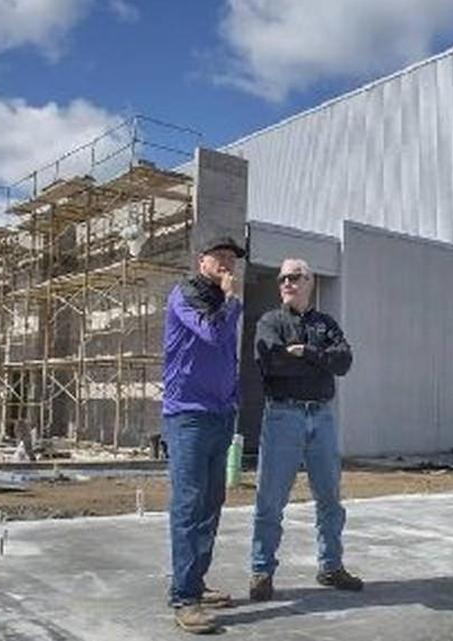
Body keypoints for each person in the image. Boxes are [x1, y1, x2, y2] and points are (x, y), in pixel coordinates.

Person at [248, 258, 362, 601]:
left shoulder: (325, 323)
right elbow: (271, 363)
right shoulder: (270, 322)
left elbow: (344, 361)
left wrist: (308, 352)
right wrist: (317, 362)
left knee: (330, 498)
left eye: (294, 277)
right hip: (284, 416)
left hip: (322, 417)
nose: (286, 282)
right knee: (270, 499)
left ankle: (330, 567)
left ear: (310, 282)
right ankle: (261, 571)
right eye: (282, 277)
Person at [161, 236, 247, 634]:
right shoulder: (186, 294)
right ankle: (184, 598)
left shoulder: (226, 303)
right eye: (221, 258)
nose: (228, 264)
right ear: (202, 261)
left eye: (232, 258)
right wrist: (231, 300)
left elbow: (226, 353)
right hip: (189, 418)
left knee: (212, 503)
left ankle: (195, 581)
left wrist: (232, 399)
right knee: (190, 505)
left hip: (219, 416)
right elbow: (211, 335)